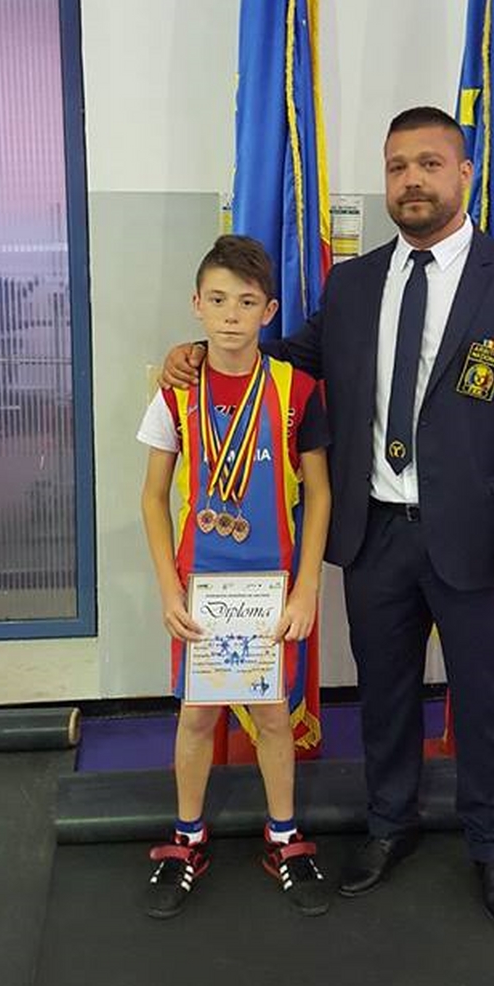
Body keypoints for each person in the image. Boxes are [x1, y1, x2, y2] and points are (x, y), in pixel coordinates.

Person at [162, 107, 494, 931]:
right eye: (396, 166)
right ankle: (390, 825)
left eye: (429, 163)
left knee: (486, 698)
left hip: (482, 541)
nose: (411, 180)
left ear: (464, 174)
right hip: (375, 533)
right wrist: (201, 354)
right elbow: (287, 362)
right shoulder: (353, 285)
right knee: (384, 694)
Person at [138, 235, 332, 919]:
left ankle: (282, 836)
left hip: (271, 586)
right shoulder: (176, 390)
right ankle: (187, 837)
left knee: (273, 714)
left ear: (269, 311)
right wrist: (168, 588)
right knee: (197, 715)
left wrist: (307, 587)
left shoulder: (295, 389)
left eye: (246, 303)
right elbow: (151, 498)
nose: (230, 315)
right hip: (200, 586)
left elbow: (320, 494)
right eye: (217, 300)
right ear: (196, 304)